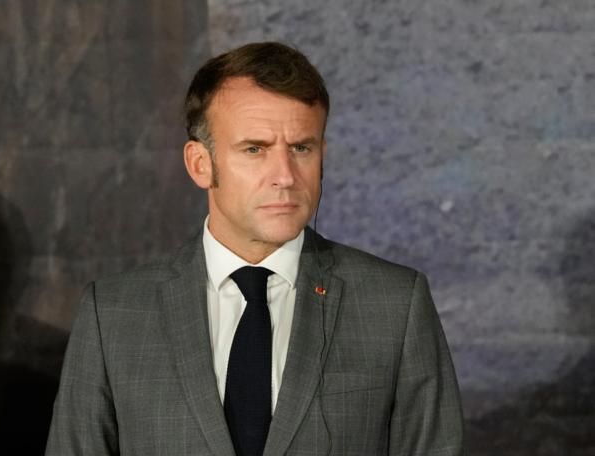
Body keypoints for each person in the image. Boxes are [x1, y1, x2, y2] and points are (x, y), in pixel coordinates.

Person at [45, 41, 464, 455]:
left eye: (301, 148)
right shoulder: (113, 315)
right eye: (254, 150)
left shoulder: (394, 305)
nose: (285, 175)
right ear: (200, 164)